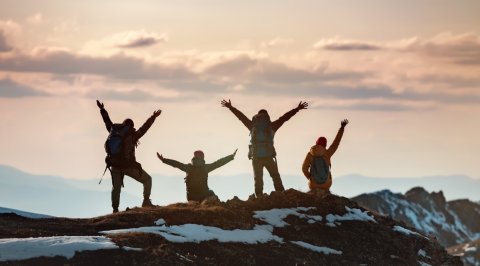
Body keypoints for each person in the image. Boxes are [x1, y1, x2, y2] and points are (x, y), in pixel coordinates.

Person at [221, 99, 308, 197]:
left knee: (258, 178)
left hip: (256, 157)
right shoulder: (272, 126)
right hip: (268, 156)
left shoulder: (252, 126)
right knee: (275, 176)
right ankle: (281, 195)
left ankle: (259, 197)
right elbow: (285, 118)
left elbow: (241, 117)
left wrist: (230, 107)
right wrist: (297, 109)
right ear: (267, 117)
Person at [96, 100, 161, 213]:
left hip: (115, 164)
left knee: (116, 188)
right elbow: (145, 128)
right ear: (131, 126)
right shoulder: (132, 135)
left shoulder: (114, 130)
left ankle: (115, 209)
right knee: (147, 179)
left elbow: (106, 121)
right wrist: (153, 117)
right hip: (128, 166)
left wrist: (102, 109)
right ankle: (146, 201)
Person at [157, 149, 237, 202]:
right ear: (202, 157)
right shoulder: (206, 168)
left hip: (190, 197)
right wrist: (231, 157)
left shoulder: (188, 167)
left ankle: (195, 204)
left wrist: (164, 160)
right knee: (212, 194)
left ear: (194, 157)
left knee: (207, 194)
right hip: (203, 195)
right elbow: (218, 163)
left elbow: (176, 164)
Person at [302, 119, 349, 193]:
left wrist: (310, 178)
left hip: (313, 184)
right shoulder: (327, 153)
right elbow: (336, 142)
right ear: (325, 145)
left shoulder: (310, 154)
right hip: (326, 184)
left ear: (316, 143)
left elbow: (304, 169)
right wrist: (342, 128)